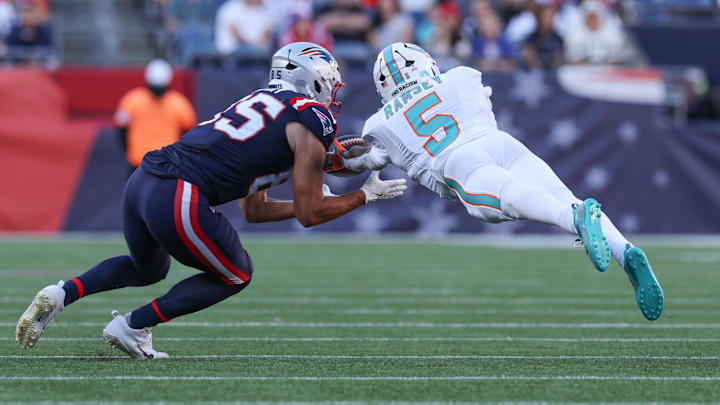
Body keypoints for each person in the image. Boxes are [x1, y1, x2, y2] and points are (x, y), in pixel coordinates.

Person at [15, 42, 407, 359]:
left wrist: (323, 188)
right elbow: (309, 214)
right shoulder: (312, 118)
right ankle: (134, 325)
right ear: (314, 79)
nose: (333, 90)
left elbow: (255, 210)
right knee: (237, 272)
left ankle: (61, 293)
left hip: (143, 181)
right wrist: (364, 194)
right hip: (180, 191)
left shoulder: (262, 104)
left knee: (147, 267)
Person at [342, 42, 664, 321]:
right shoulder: (462, 75)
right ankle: (626, 250)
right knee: (562, 196)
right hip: (501, 143)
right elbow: (483, 101)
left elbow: (359, 161)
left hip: (458, 162)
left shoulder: (379, 124)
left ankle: (575, 220)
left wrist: (334, 158)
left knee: (508, 202)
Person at [114, 59, 196, 170]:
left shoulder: (132, 99)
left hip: (149, 162)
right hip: (162, 161)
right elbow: (189, 132)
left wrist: (127, 151)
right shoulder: (179, 102)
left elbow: (121, 129)